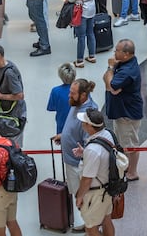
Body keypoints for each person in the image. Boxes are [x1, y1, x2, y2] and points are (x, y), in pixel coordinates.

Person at [52, 79, 98, 232]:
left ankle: (91, 226)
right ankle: (89, 223)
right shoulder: (76, 104)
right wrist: (64, 136)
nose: (69, 96)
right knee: (80, 196)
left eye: (72, 93)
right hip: (71, 161)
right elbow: (73, 127)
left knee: (83, 196)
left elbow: (89, 142)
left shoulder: (88, 114)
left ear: (83, 95)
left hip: (79, 165)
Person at [103, 38, 143, 181]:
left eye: (117, 50)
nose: (114, 52)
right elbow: (110, 83)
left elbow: (111, 86)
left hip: (128, 114)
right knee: (123, 142)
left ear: (126, 54)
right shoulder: (126, 63)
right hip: (122, 111)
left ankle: (132, 172)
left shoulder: (127, 71)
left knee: (130, 144)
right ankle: (126, 167)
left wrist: (110, 69)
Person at [73, 109, 115, 236]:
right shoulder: (108, 134)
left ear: (90, 126)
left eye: (84, 122)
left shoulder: (92, 150)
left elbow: (87, 179)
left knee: (91, 228)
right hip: (107, 190)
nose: (82, 124)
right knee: (107, 220)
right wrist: (85, 153)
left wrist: (79, 196)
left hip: (95, 194)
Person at [0, 43, 27, 147]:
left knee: (12, 146)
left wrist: (0, 96)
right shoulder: (4, 67)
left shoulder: (9, 73)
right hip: (8, 115)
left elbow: (20, 95)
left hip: (13, 116)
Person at [68, 0, 97, 67]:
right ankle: (92, 55)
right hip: (92, 9)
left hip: (82, 11)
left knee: (81, 36)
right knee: (91, 33)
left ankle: (80, 60)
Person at [46, 63, 76, 135]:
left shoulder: (55, 91)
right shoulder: (82, 89)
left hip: (62, 126)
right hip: (79, 126)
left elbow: (51, 107)